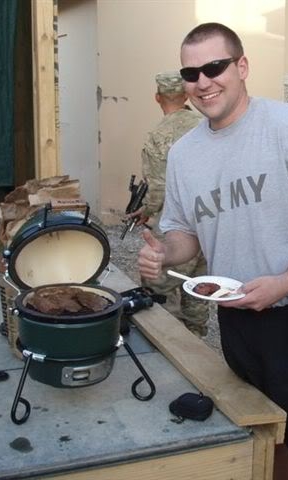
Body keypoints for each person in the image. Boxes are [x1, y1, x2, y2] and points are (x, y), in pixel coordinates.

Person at [137, 23, 288, 480]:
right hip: (239, 320)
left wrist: (285, 282)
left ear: (241, 66)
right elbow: (187, 236)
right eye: (191, 73)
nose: (203, 82)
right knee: (268, 444)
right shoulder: (183, 154)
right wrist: (163, 252)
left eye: (214, 67)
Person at [129, 71, 209, 337]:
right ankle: (196, 340)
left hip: (176, 227)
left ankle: (169, 344)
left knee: (158, 288)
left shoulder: (159, 134)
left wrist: (147, 210)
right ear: (186, 95)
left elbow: (158, 187)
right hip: (209, 221)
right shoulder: (207, 125)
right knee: (198, 286)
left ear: (157, 98)